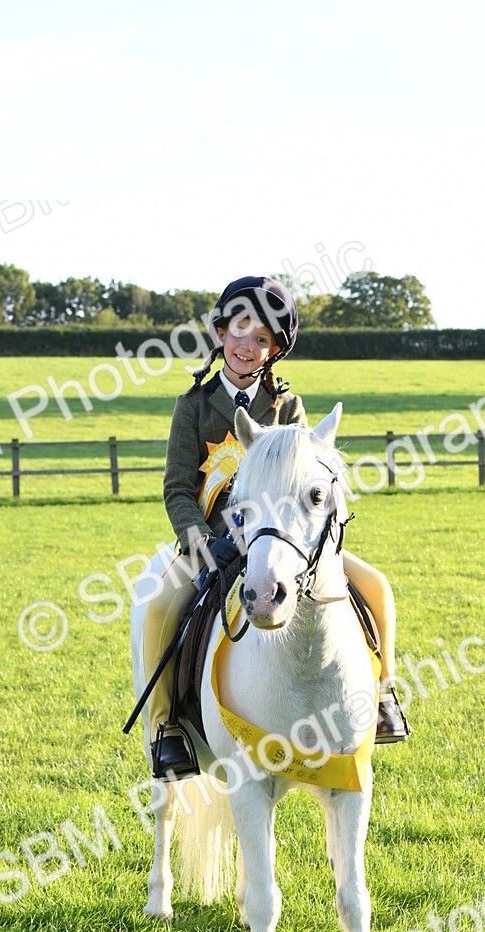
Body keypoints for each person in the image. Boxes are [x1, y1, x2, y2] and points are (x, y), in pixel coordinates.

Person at [142, 275, 410, 779]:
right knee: (159, 607)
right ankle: (166, 730)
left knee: (376, 585)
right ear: (221, 333)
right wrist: (200, 542)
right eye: (240, 330)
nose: (247, 344)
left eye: (262, 338)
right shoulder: (194, 406)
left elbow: (310, 476)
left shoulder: (288, 407)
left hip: (286, 543)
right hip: (213, 545)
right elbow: (178, 488)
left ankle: (382, 696)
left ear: (274, 350)